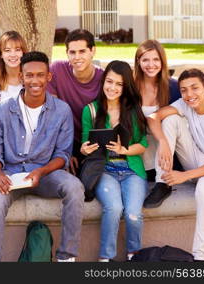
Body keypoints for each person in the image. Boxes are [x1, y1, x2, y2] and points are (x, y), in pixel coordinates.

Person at [0, 51, 85, 262]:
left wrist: (41, 171)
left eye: (40, 75)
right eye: (29, 75)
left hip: (46, 172)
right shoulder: (3, 109)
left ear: (49, 77)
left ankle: (67, 258)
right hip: (11, 173)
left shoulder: (62, 110)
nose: (35, 80)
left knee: (75, 187)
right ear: (21, 77)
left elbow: (62, 154)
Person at [144, 69, 204, 261]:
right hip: (198, 158)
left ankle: (201, 258)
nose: (189, 95)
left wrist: (184, 176)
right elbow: (153, 117)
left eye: (195, 88)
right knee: (171, 119)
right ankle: (161, 183)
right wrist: (163, 141)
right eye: (184, 90)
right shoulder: (185, 103)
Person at [81, 60, 148, 262]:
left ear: (125, 87)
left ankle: (133, 255)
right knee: (114, 208)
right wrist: (84, 148)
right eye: (109, 81)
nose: (112, 87)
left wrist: (123, 149)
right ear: (103, 82)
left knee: (133, 214)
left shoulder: (133, 111)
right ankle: (105, 258)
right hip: (104, 170)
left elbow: (142, 144)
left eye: (119, 84)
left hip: (131, 169)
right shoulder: (90, 110)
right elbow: (84, 142)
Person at [47, 29, 103, 174]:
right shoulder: (57, 70)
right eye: (72, 52)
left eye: (82, 51)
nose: (77, 57)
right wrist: (65, 150)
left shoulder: (104, 79)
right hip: (65, 138)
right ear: (67, 53)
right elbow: (53, 115)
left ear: (93, 51)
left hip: (93, 141)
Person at [133, 40, 181, 191]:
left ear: (162, 61)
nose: (150, 64)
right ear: (138, 61)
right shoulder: (131, 87)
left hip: (166, 156)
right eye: (145, 59)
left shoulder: (173, 87)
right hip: (137, 157)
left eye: (156, 59)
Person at [0, 31, 28, 108]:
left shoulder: (32, 82)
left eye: (17, 50)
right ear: (1, 54)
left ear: (23, 53)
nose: (13, 55)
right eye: (7, 50)